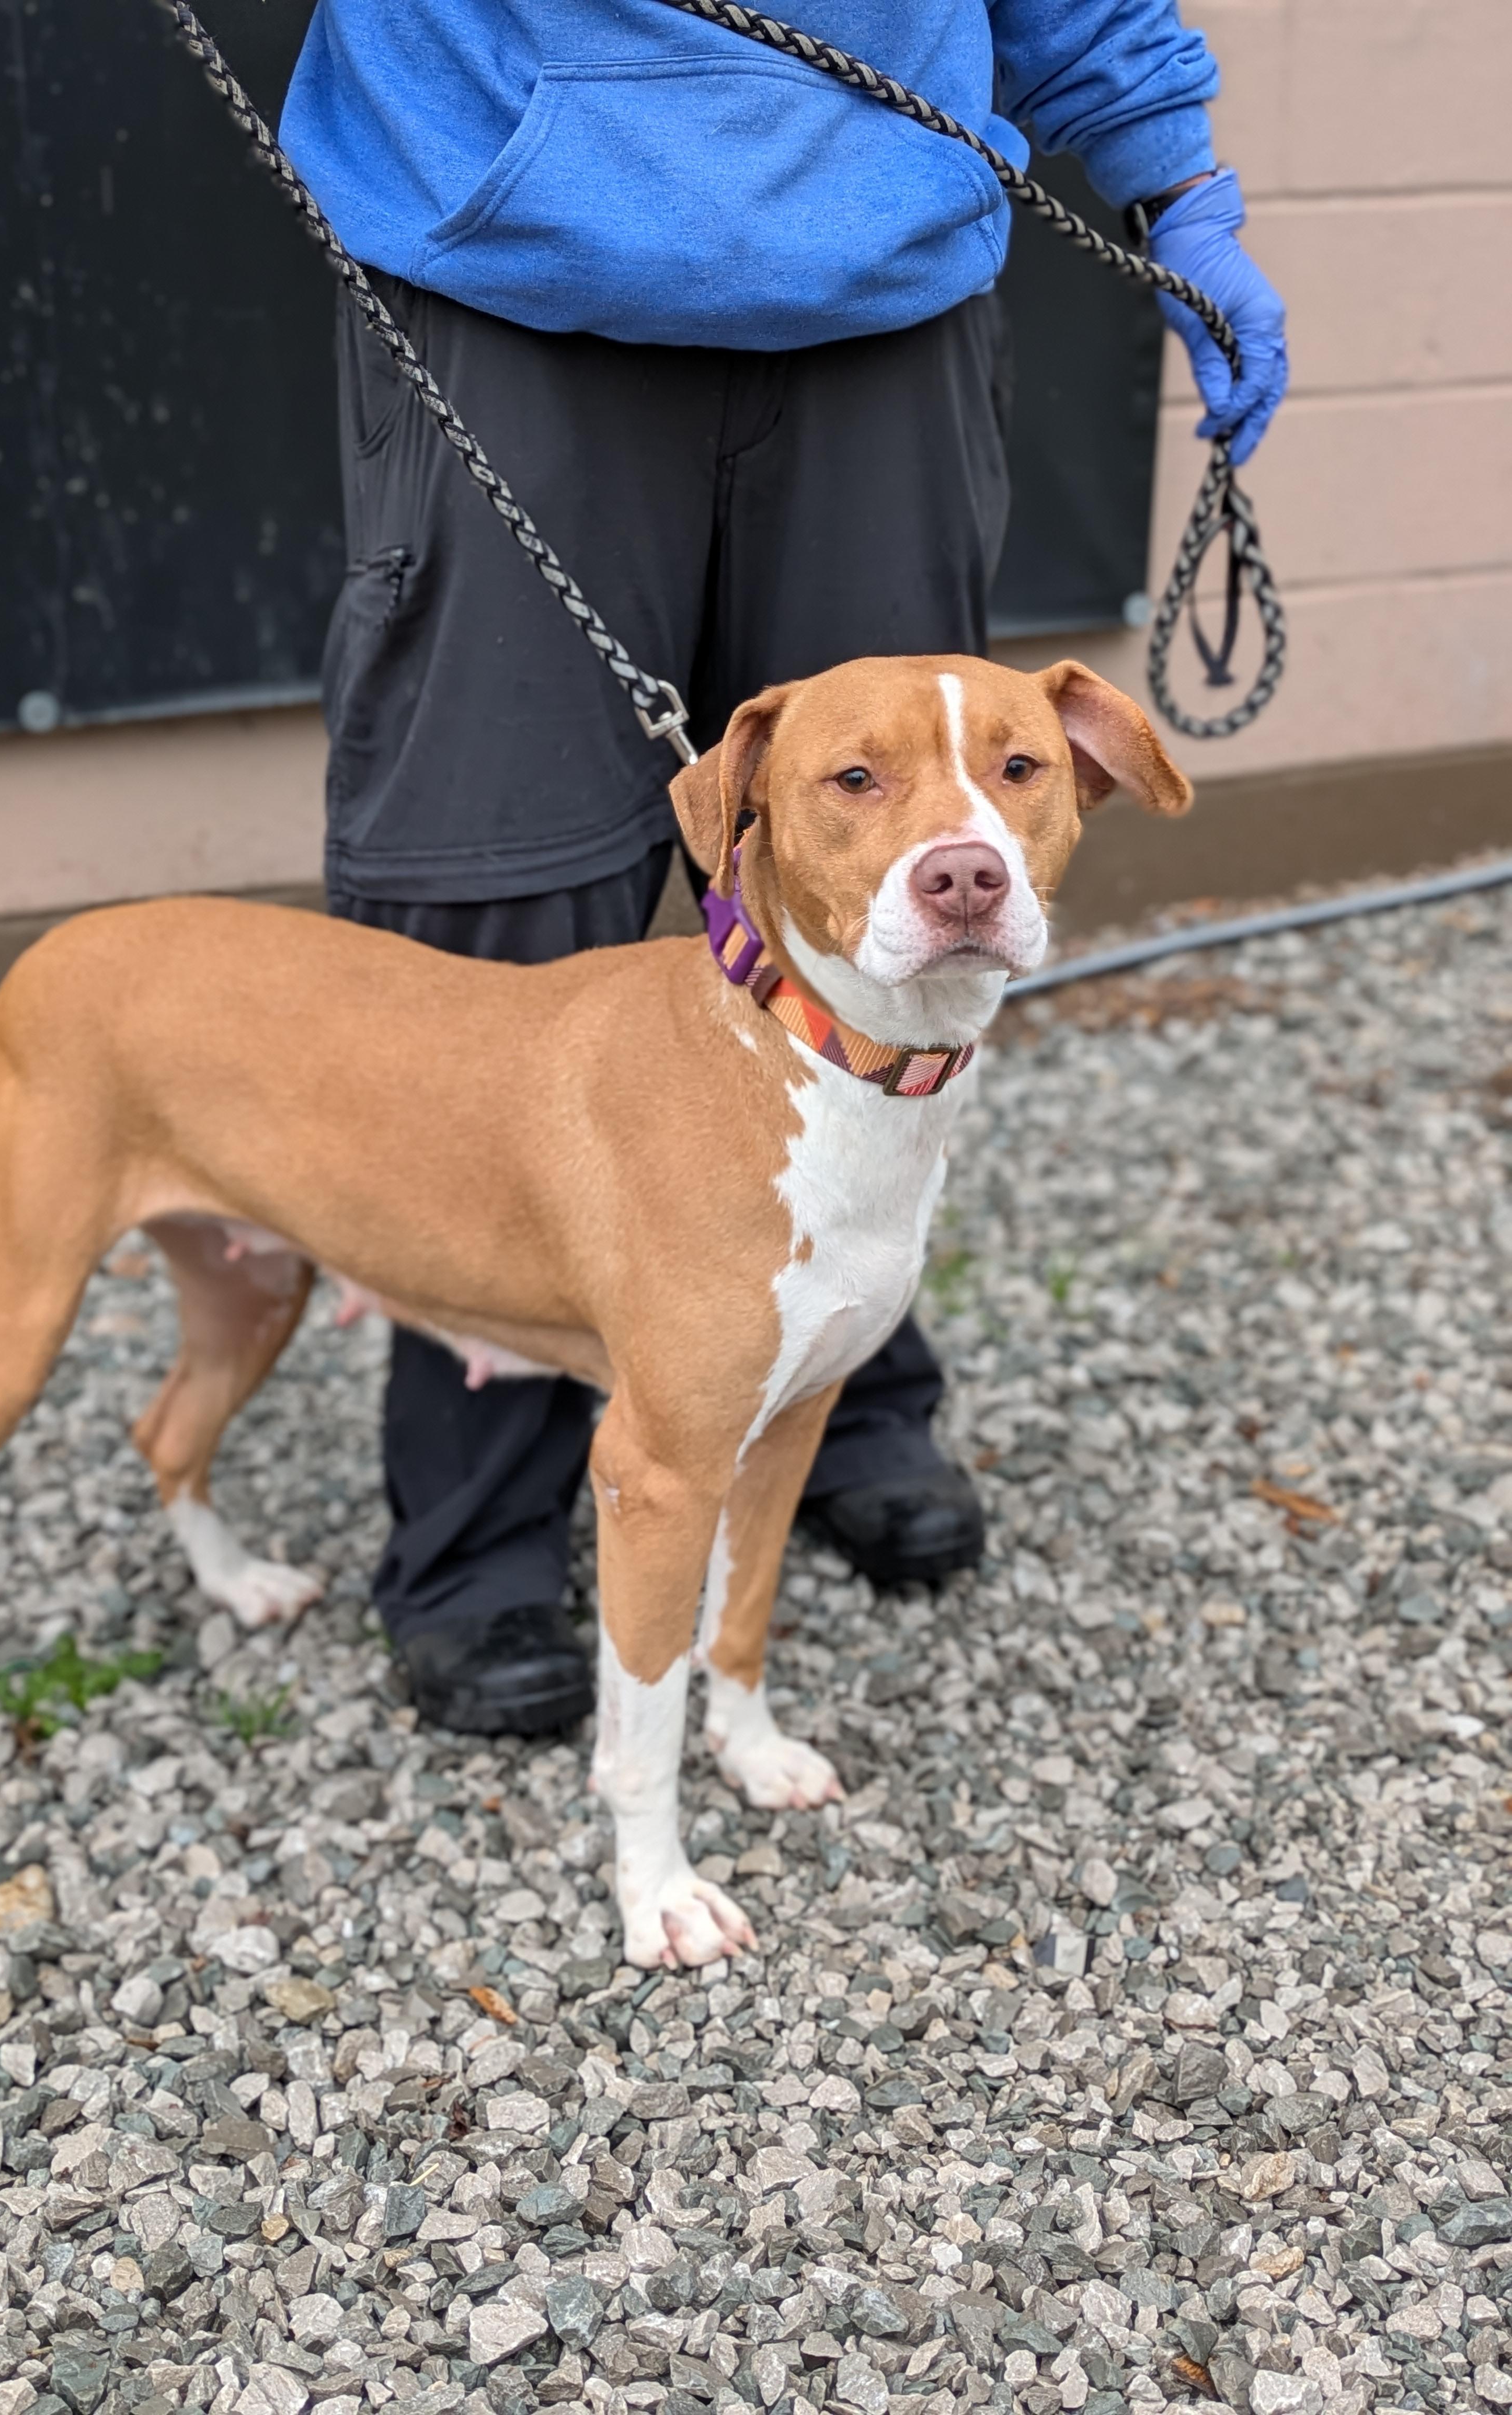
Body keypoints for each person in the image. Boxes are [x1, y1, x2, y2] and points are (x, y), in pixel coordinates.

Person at [277, 0, 1288, 1735]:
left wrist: (1175, 175)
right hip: (508, 252)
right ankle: (482, 1532)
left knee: (892, 871)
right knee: (505, 891)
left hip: (883, 273)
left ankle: (843, 1398)